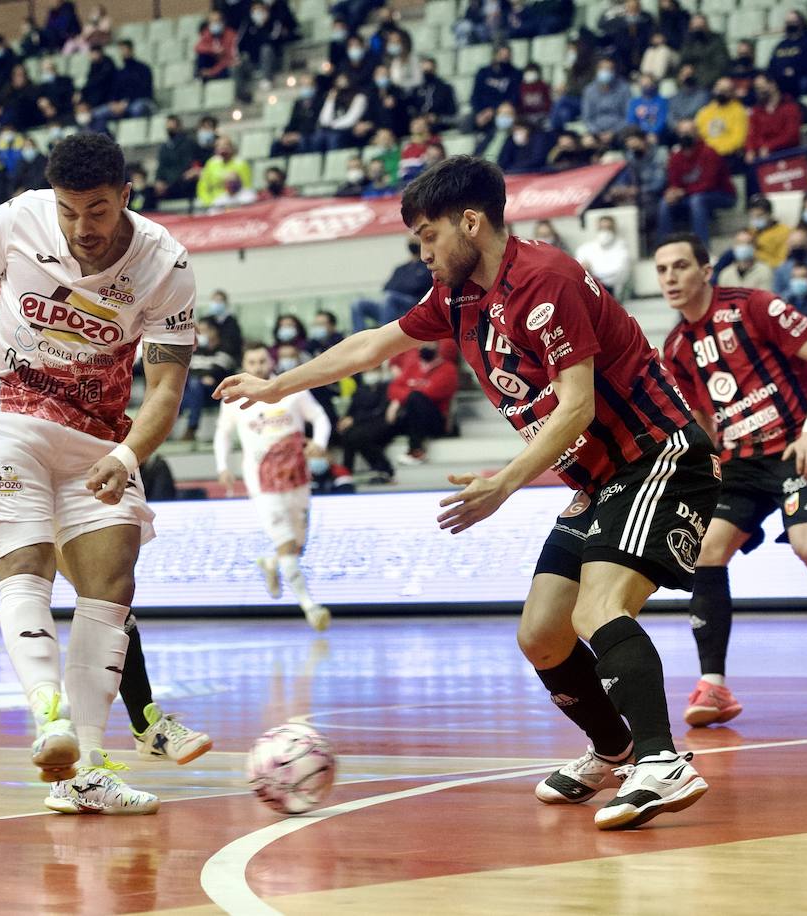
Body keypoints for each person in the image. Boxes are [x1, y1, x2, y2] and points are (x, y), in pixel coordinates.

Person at [219, 156, 720, 830]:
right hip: (598, 478)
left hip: (657, 457)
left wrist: (504, 484)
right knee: (541, 636)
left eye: (429, 235)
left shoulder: (546, 280)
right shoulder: (458, 296)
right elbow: (371, 346)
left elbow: (576, 406)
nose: (423, 252)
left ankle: (662, 761)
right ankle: (614, 749)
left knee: (598, 608)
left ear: (472, 223)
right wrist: (276, 387)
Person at [0, 133, 208, 815]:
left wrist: (127, 457)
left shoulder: (166, 264)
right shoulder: (19, 217)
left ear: (126, 197)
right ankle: (48, 714)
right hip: (5, 414)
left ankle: (85, 772)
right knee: (26, 562)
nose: (81, 227)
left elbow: (165, 390)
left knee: (112, 582)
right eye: (68, 211)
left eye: (97, 211)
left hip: (97, 438)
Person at [657, 233, 807, 723]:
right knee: (706, 549)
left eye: (681, 266)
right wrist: (704, 473)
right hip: (741, 464)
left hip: (797, 448)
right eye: (662, 270)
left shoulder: (755, 306)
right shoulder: (677, 348)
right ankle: (714, 687)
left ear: (706, 271)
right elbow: (703, 420)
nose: (670, 278)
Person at [215, 342, 333, 631]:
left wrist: (319, 443)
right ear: (244, 365)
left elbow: (319, 417)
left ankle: (271, 563)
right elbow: (223, 434)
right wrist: (222, 466)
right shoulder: (235, 398)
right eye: (251, 362)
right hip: (262, 482)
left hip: (297, 476)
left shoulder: (292, 388)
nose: (257, 367)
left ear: (270, 362)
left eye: (261, 361)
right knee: (287, 544)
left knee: (297, 545)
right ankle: (311, 607)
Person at [657, 121, 735, 246]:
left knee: (697, 200)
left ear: (696, 133)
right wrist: (672, 192)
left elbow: (709, 183)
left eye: (689, 132)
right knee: (665, 203)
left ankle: (701, 247)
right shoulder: (675, 157)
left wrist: (684, 192)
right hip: (690, 196)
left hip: (721, 194)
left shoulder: (709, 152)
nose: (685, 136)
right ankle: (666, 245)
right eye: (682, 133)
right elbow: (674, 182)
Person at [350, 240, 433, 331]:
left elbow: (416, 286)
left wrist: (400, 288)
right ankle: (359, 336)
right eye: (410, 239)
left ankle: (383, 334)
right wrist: (404, 286)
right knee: (358, 303)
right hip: (391, 304)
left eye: (415, 239)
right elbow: (387, 287)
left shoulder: (426, 267)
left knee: (389, 297)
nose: (412, 241)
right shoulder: (401, 268)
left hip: (412, 304)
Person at [178, 317, 237, 441]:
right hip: (196, 393)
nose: (200, 334)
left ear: (214, 331)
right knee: (177, 394)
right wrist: (204, 376)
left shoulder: (226, 349)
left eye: (204, 331)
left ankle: (191, 428)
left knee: (194, 384)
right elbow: (189, 370)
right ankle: (170, 426)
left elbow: (219, 370)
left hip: (215, 393)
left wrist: (206, 376)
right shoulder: (197, 350)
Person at [574, 216, 632, 296]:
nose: (605, 232)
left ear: (614, 230)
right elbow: (577, 272)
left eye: (608, 228)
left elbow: (617, 275)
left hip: (611, 292)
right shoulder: (585, 249)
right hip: (588, 291)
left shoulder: (622, 249)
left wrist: (591, 271)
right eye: (602, 228)